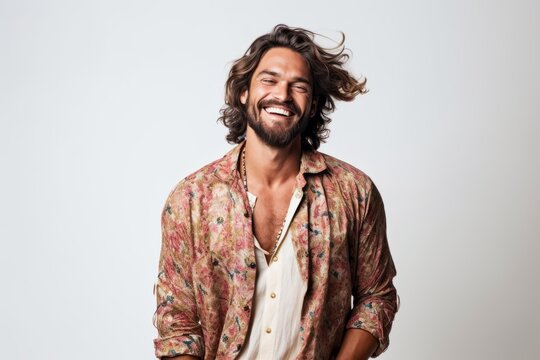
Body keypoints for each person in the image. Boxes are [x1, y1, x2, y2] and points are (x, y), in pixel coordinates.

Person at [153, 24, 399, 360]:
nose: (282, 95)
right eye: (269, 80)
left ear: (312, 105)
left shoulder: (353, 193)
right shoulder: (191, 199)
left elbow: (377, 297)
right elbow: (177, 323)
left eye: (298, 86)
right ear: (244, 92)